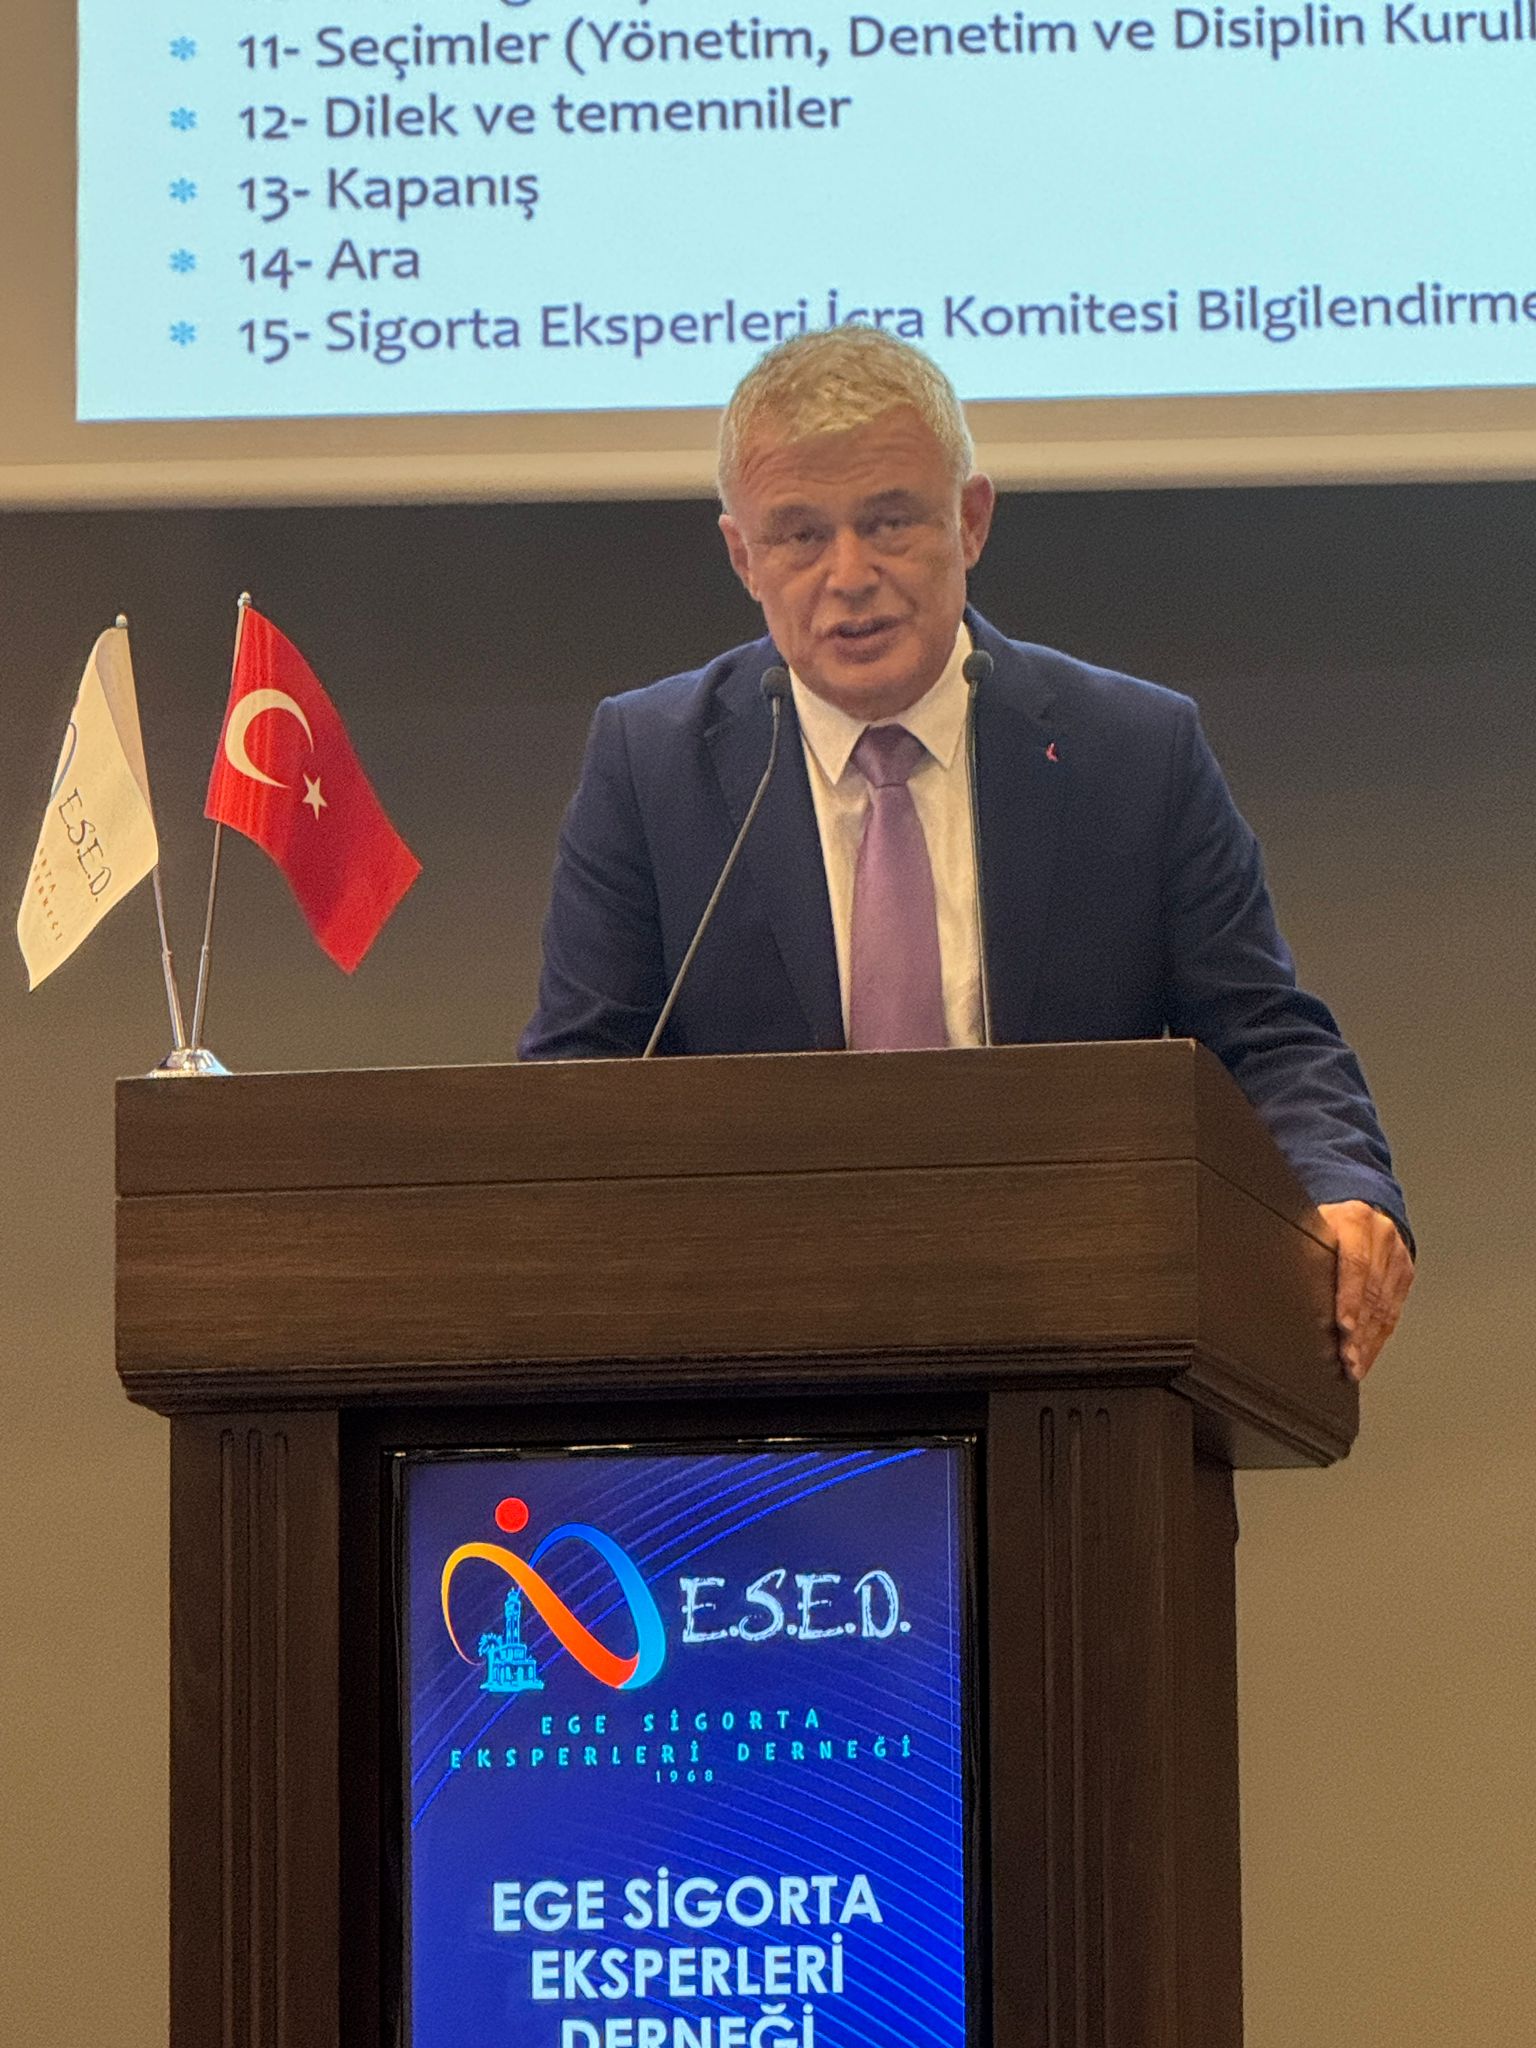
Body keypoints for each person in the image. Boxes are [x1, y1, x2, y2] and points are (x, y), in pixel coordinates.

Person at [520, 326, 1413, 1378]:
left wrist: (1341, 1186)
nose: (850, 576)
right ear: (742, 556)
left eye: (890, 522)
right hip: (754, 1353)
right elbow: (579, 1080)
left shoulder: (1133, 750)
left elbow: (1263, 1035)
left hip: (1081, 1338)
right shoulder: (652, 761)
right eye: (800, 536)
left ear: (971, 519)